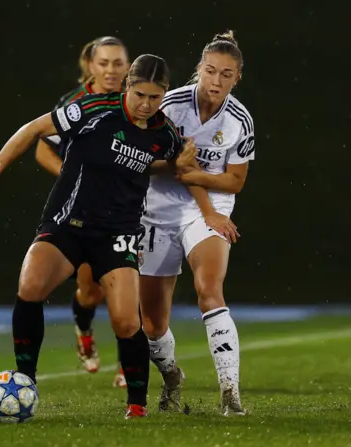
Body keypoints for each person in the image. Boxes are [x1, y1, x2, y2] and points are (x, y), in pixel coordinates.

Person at [0, 54, 193, 419]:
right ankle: (25, 379)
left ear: (165, 93)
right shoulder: (91, 109)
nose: (146, 104)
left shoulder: (164, 134)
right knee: (30, 286)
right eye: (140, 94)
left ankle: (137, 406)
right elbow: (32, 130)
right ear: (127, 86)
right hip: (67, 223)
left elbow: (165, 163)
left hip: (117, 233)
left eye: (156, 97)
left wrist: (179, 165)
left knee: (126, 322)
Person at [138, 30, 255, 416]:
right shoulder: (169, 107)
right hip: (158, 208)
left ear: (237, 78)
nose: (216, 81)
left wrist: (193, 179)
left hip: (211, 208)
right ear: (199, 71)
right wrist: (181, 169)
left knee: (209, 288)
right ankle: (172, 375)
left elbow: (234, 181)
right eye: (210, 71)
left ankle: (230, 393)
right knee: (152, 321)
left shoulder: (240, 120)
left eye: (226, 74)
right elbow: (151, 164)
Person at [34, 36, 130, 387]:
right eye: (104, 63)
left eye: (118, 63)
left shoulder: (138, 99)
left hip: (130, 208)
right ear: (90, 65)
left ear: (128, 65)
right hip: (86, 211)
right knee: (91, 289)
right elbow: (43, 150)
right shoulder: (75, 103)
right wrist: (75, 176)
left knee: (128, 284)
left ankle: (127, 363)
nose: (111, 70)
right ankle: (84, 328)